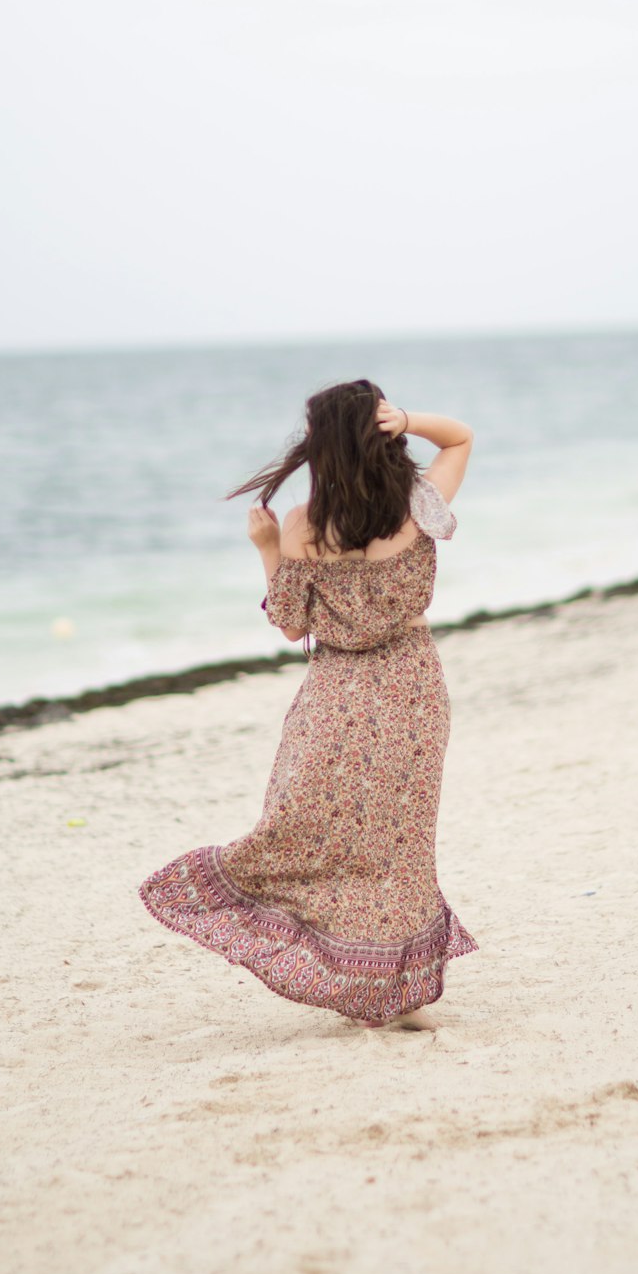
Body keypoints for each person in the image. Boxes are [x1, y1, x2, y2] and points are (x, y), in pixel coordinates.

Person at [139, 379, 476, 1030]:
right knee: (399, 844)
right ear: (384, 432)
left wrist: (267, 550)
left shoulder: (303, 526)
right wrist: (409, 416)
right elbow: (460, 435)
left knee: (318, 834)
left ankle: (359, 980)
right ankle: (394, 994)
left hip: (335, 698)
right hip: (410, 691)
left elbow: (292, 624)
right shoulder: (417, 505)